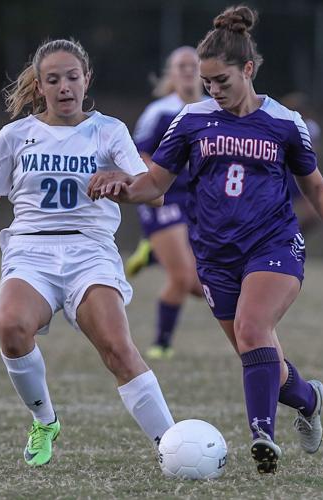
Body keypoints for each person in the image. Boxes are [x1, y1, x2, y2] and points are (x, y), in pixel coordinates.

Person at [88, 5, 323, 474]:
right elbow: (153, 185)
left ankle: (262, 436)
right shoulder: (191, 121)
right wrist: (120, 183)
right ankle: (308, 398)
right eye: (207, 82)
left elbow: (315, 186)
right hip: (216, 256)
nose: (214, 90)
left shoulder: (284, 122)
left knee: (253, 330)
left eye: (223, 81)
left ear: (249, 69)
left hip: (275, 244)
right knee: (261, 357)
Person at [0, 38, 175, 467]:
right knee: (10, 326)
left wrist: (118, 179)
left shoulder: (109, 130)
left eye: (72, 77)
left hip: (90, 252)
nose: (65, 86)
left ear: (86, 80)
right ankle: (44, 420)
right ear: (40, 85)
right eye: (54, 79)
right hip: (31, 252)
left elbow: (153, 193)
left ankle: (171, 447)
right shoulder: (15, 136)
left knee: (118, 350)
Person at [128, 46, 205, 360]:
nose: (188, 71)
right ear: (171, 74)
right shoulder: (159, 111)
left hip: (197, 201)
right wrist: (156, 183)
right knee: (183, 277)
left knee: (203, 287)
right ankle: (161, 343)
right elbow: (138, 154)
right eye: (181, 66)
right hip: (164, 197)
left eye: (193, 65)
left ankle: (153, 254)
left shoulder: (213, 109)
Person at [281, 92, 321, 235]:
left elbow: (311, 153)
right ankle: (282, 239)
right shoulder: (280, 125)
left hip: (301, 173)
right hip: (284, 173)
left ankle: (291, 238)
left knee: (313, 213)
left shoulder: (310, 126)